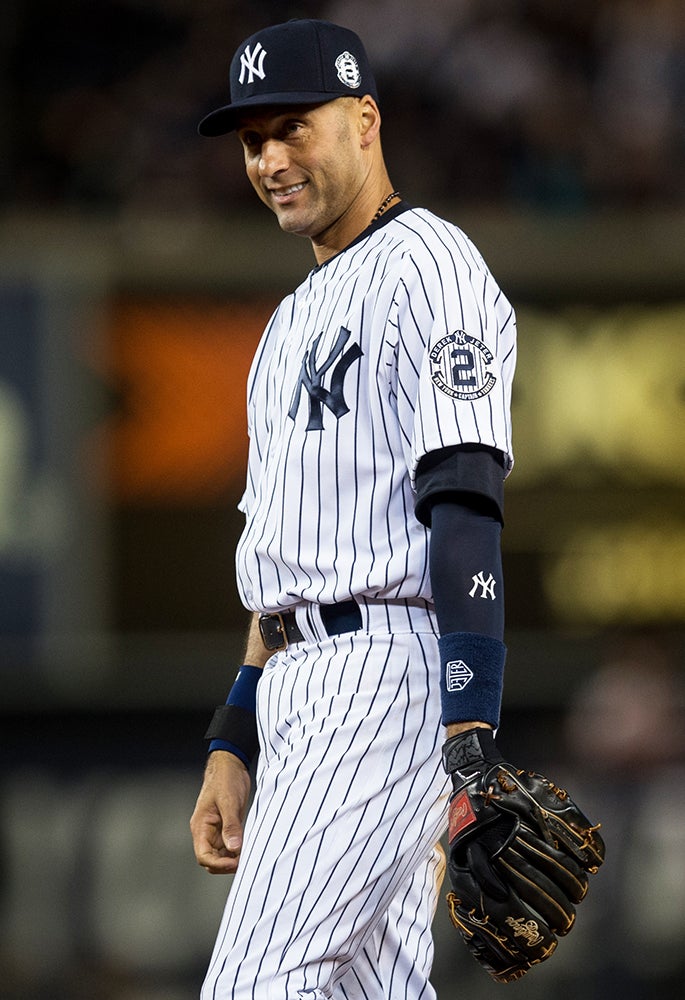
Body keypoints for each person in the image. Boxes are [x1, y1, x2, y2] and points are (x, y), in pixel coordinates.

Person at [188, 18, 554, 998]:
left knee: (251, 989)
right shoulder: (288, 321)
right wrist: (235, 731)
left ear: (363, 119)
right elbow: (279, 561)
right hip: (300, 687)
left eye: (293, 127)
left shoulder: (430, 265)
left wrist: (469, 734)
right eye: (252, 140)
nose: (270, 159)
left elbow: (465, 502)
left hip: (384, 678)